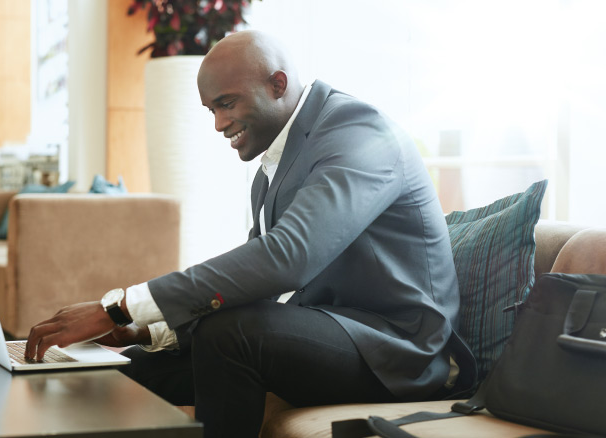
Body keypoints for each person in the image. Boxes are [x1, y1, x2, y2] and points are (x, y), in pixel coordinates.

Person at [24, 30, 476, 438]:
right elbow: (251, 283)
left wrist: (120, 306)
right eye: (211, 109)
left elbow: (287, 258)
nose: (219, 124)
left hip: (405, 355)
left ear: (277, 85)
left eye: (227, 103)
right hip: (339, 335)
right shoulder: (271, 169)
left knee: (232, 331)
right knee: (126, 367)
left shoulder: (357, 132)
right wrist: (140, 330)